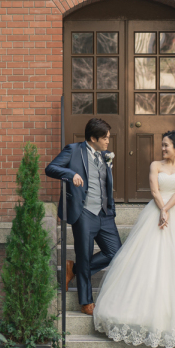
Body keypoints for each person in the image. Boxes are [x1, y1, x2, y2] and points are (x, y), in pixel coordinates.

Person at [93, 131, 175, 348]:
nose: (163, 149)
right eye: (162, 145)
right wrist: (162, 210)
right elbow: (154, 189)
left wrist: (167, 209)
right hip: (155, 211)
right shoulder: (155, 165)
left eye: (166, 146)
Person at [45, 118, 121, 316]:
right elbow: (50, 168)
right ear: (93, 138)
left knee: (115, 253)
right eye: (105, 138)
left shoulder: (105, 156)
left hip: (104, 213)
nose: (108, 142)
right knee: (85, 254)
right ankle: (86, 301)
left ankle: (73, 269)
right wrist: (70, 174)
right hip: (84, 213)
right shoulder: (73, 150)